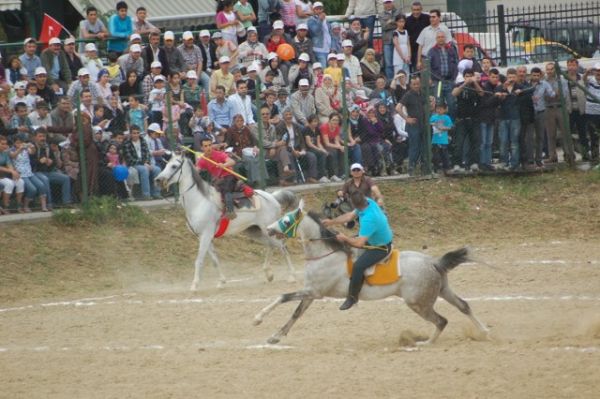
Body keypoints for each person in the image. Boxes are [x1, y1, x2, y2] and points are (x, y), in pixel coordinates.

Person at [323, 190, 393, 310]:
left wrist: (345, 238)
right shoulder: (368, 202)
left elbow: (359, 243)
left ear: (355, 205)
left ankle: (352, 297)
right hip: (373, 238)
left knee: (358, 266)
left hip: (380, 247)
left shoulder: (369, 219)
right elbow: (349, 216)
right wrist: (331, 222)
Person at [196, 136, 238, 219]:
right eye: (205, 146)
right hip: (217, 179)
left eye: (210, 145)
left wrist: (224, 165)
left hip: (229, 176)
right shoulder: (202, 159)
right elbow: (196, 170)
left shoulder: (219, 154)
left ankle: (230, 211)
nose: (208, 148)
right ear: (202, 148)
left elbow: (232, 161)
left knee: (226, 188)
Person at [122, 124, 161, 200]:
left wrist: (147, 162)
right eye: (134, 133)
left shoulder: (143, 141)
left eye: (137, 133)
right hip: (134, 164)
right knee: (144, 170)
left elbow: (147, 153)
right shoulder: (127, 143)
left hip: (145, 163)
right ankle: (146, 195)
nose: (136, 135)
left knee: (157, 169)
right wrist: (144, 163)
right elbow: (130, 159)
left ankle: (156, 193)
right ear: (130, 134)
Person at [0, 135, 25, 214]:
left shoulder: (5, 153)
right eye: (2, 144)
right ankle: (5, 206)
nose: (5, 146)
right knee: (9, 183)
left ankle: (18, 205)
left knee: (20, 181)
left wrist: (14, 171)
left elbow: (9, 164)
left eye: (5, 144)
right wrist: (11, 171)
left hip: (4, 175)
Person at [380, 0, 402, 80]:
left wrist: (390, 22)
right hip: (387, 41)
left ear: (392, 2)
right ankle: (390, 83)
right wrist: (395, 22)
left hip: (399, 41)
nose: (388, 4)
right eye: (386, 2)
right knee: (388, 64)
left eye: (389, 2)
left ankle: (400, 82)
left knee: (399, 62)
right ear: (383, 4)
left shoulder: (399, 11)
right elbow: (384, 27)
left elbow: (401, 24)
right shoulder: (381, 14)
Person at [405, 1, 430, 70]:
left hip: (425, 49)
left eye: (418, 10)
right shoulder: (407, 20)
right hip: (413, 50)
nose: (416, 12)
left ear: (421, 9)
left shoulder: (427, 18)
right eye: (414, 10)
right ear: (411, 10)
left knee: (426, 70)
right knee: (416, 70)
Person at [430, 102, 452, 173]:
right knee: (436, 154)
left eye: (441, 109)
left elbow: (449, 127)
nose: (439, 110)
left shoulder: (447, 117)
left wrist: (443, 128)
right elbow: (429, 123)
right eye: (437, 109)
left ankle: (446, 167)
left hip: (443, 139)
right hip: (435, 139)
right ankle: (436, 167)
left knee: (444, 153)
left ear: (445, 110)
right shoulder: (433, 117)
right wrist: (434, 124)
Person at [308, 2, 331, 67]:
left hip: (328, 48)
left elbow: (329, 32)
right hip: (318, 48)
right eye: (317, 9)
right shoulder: (311, 20)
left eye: (320, 9)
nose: (319, 11)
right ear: (314, 10)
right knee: (323, 68)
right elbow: (315, 32)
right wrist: (320, 20)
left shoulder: (326, 19)